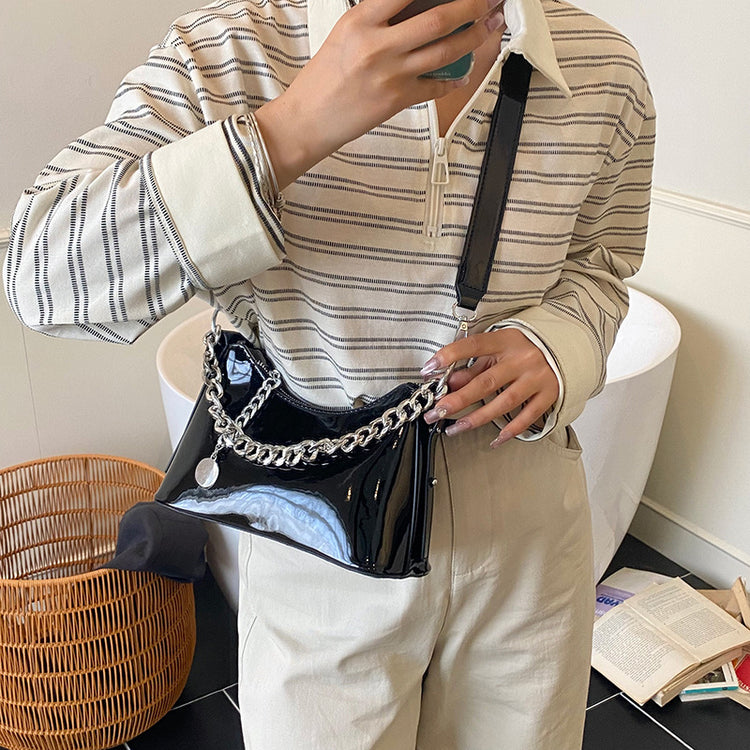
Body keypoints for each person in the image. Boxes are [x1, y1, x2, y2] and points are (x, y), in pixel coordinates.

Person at [3, 0, 655, 747]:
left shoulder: (603, 67)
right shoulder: (231, 51)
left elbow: (601, 266)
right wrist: (295, 126)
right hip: (316, 531)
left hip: (526, 531)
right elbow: (40, 277)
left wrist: (558, 345)